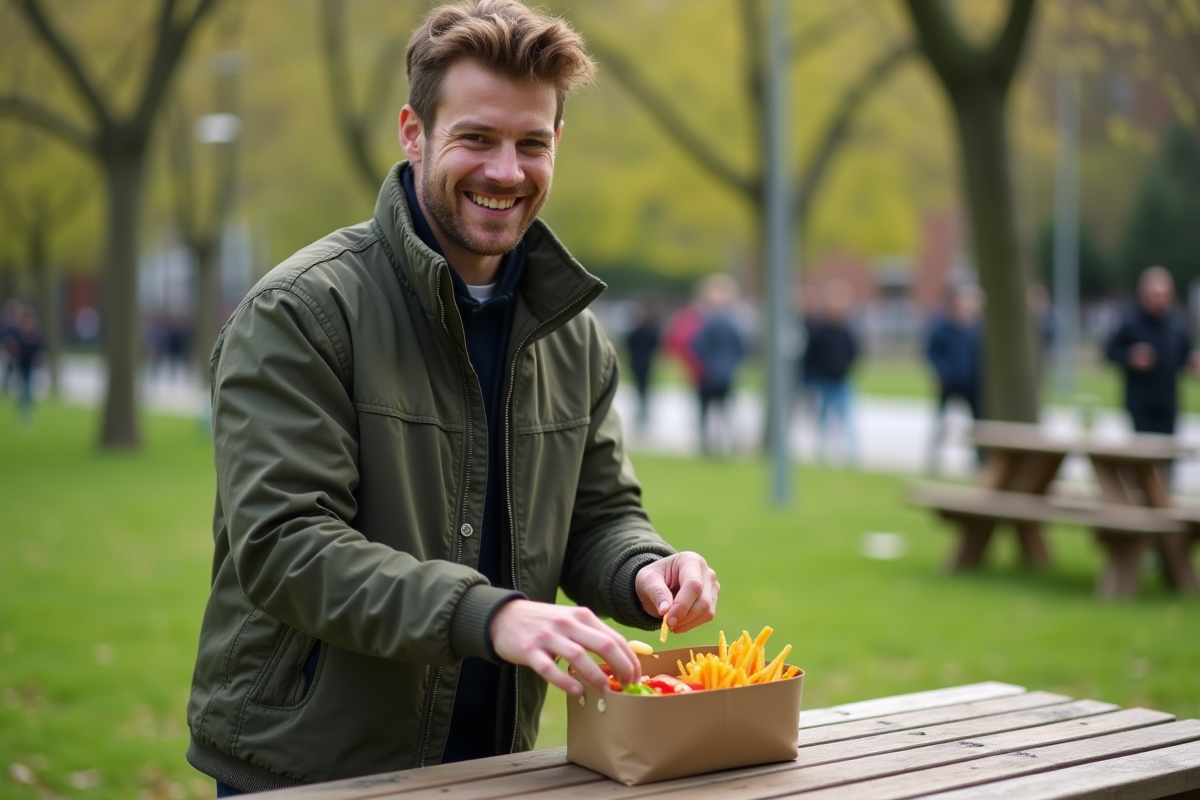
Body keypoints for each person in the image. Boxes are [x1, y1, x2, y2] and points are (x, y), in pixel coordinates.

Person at [185, 3, 719, 794]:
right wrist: (492, 614)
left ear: (556, 146)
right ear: (414, 132)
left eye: (531, 144)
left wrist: (646, 569)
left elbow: (599, 515)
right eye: (476, 138)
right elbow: (287, 547)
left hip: (502, 761)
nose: (506, 171)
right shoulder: (302, 311)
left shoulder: (572, 337)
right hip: (312, 769)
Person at [1104, 266, 1196, 436]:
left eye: (1164, 295)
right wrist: (1131, 357)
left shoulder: (1177, 324)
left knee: (1168, 454)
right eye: (1155, 295)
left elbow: (1185, 357)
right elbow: (1109, 352)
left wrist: (1192, 363)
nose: (1159, 300)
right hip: (1140, 403)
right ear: (1143, 295)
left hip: (1168, 402)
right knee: (1144, 454)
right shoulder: (1130, 322)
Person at [925, 284, 983, 474]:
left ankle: (979, 460)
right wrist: (940, 371)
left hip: (971, 384)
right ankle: (934, 459)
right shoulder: (941, 328)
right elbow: (931, 352)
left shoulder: (974, 328)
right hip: (949, 383)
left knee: (978, 423)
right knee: (942, 421)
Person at [803, 281, 860, 466]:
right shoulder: (819, 330)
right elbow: (811, 355)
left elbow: (855, 352)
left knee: (848, 418)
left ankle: (852, 455)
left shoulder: (846, 329)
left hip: (842, 380)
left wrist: (847, 369)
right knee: (823, 418)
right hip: (823, 380)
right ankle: (823, 454)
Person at [689, 274, 746, 455]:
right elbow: (741, 348)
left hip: (709, 373)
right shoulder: (732, 323)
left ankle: (708, 444)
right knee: (725, 411)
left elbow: (697, 346)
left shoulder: (708, 322)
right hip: (725, 373)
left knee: (707, 411)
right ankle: (725, 443)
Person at [624, 295, 662, 430]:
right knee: (642, 388)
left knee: (642, 388)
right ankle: (643, 411)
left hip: (639, 361)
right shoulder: (649, 329)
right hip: (643, 361)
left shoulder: (639, 330)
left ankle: (642, 412)